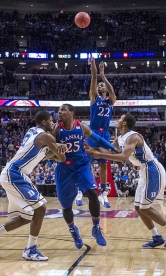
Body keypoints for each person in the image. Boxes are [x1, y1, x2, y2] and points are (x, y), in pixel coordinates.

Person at [0, 111, 66, 261]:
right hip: (15, 173)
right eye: (51, 121)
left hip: (15, 174)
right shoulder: (45, 136)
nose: (53, 123)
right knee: (41, 208)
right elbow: (61, 158)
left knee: (29, 215)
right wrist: (60, 148)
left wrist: (55, 148)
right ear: (44, 122)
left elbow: (48, 155)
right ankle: (30, 250)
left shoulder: (33, 132)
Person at [86, 114, 166, 249]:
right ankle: (156, 236)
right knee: (138, 207)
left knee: (144, 208)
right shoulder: (120, 138)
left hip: (152, 170)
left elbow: (123, 157)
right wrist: (90, 149)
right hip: (143, 171)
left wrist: (100, 155)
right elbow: (107, 150)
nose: (116, 121)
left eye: (119, 119)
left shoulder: (134, 137)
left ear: (124, 123)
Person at [51, 104, 119, 248]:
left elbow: (98, 140)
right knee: (66, 207)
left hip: (81, 165)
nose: (59, 112)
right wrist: (56, 146)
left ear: (71, 113)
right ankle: (73, 230)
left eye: (63, 110)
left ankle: (96, 228)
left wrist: (113, 148)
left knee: (93, 194)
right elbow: (48, 147)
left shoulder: (81, 127)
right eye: (58, 111)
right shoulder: (56, 129)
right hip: (64, 168)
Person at [77, 57, 116, 208]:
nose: (100, 85)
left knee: (104, 163)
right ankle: (81, 190)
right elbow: (93, 78)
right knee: (85, 160)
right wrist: (94, 66)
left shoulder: (110, 101)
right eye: (99, 85)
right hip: (92, 133)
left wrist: (104, 75)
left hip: (104, 133)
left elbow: (111, 92)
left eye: (102, 85)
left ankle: (103, 193)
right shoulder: (94, 98)